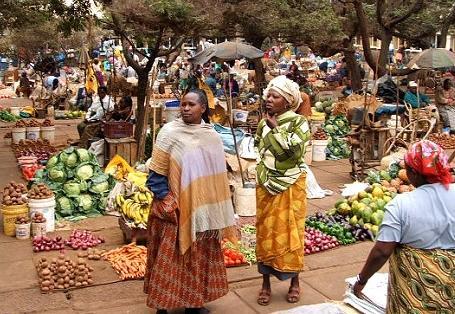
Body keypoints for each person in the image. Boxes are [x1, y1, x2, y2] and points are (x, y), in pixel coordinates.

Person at [144, 89, 235, 314]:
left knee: (196, 258)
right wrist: (166, 199)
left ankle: (193, 304)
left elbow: (215, 173)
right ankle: (162, 305)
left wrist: (214, 205)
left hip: (201, 210)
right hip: (173, 207)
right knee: (169, 259)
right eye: (183, 104)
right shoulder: (169, 133)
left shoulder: (211, 135)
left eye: (191, 105)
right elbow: (156, 174)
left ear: (203, 108)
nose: (185, 108)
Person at [353, 140, 455, 313]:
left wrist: (361, 280)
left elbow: (382, 252)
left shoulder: (401, 204)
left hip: (413, 296)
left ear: (414, 173)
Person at [254, 76, 310, 306]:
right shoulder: (261, 123)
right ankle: (265, 283)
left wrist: (276, 130)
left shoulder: (299, 122)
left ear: (287, 102)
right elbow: (260, 148)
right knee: (265, 233)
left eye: (275, 96)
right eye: (268, 95)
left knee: (292, 231)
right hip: (266, 184)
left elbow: (295, 155)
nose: (269, 99)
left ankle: (294, 282)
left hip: (292, 183)